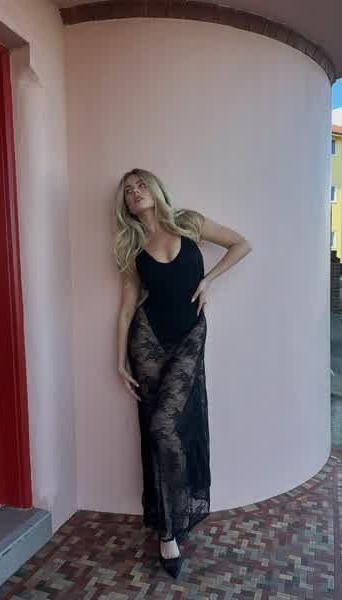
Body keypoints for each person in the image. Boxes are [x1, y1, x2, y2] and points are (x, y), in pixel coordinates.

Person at [114, 168, 252, 578]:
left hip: (190, 334)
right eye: (128, 191)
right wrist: (118, 358)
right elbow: (126, 306)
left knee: (165, 426)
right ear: (125, 205)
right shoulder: (131, 243)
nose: (135, 193)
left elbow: (242, 244)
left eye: (141, 185)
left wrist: (209, 280)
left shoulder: (189, 222)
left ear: (155, 189)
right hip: (147, 340)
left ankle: (175, 515)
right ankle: (168, 531)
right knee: (157, 431)